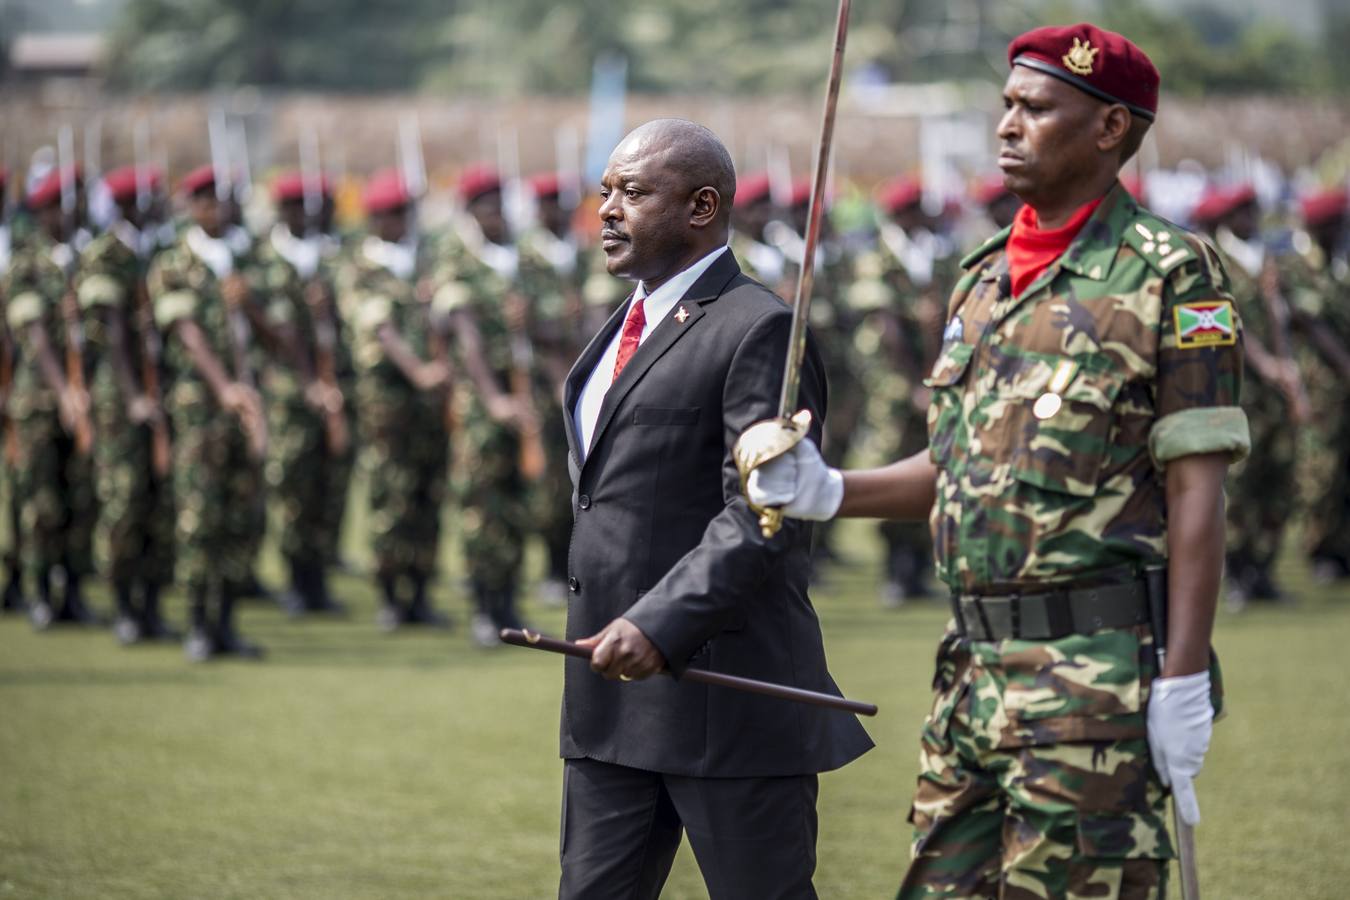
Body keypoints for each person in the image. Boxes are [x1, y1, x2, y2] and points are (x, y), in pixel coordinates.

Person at [748, 24, 1245, 897]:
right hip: (971, 678)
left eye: (1038, 108)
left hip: (1095, 685)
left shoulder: (1170, 274)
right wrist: (830, 490)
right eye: (1007, 104)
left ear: (1110, 129)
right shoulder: (982, 280)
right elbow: (956, 466)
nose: (1008, 125)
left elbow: (1196, 493)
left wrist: (1182, 678)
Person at [557, 118, 871, 900]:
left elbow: (766, 512)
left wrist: (658, 622)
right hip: (608, 703)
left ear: (703, 207)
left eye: (633, 193)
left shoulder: (758, 327)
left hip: (728, 702)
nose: (608, 211)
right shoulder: (618, 331)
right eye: (606, 193)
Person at [148, 164, 268, 661]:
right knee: (200, 516)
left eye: (224, 201)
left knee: (240, 517)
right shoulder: (174, 261)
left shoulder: (245, 258)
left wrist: (251, 305)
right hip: (202, 408)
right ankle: (198, 622)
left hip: (247, 410)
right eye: (208, 201)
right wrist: (224, 389)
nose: (218, 210)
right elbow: (185, 330)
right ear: (193, 206)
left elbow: (275, 333)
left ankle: (226, 623)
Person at [75, 164, 178, 643]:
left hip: (162, 394)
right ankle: (123, 607)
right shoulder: (106, 256)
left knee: (159, 504)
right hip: (122, 397)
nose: (159, 204)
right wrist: (135, 396)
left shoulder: (158, 251)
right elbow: (112, 332)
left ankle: (153, 604)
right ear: (127, 203)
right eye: (151, 197)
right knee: (123, 500)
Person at [346, 169, 451, 631]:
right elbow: (381, 328)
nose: (402, 221)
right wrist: (420, 372)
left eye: (405, 212)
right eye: (392, 214)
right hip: (388, 401)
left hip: (429, 404)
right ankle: (391, 594)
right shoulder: (364, 268)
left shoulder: (424, 261)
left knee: (427, 493)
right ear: (374, 218)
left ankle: (421, 590)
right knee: (391, 496)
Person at [434, 165, 535, 646]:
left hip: (525, 398)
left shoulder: (518, 257)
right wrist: (494, 400)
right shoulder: (459, 261)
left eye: (501, 204)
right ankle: (481, 605)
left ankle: (509, 602)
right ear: (470, 211)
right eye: (487, 206)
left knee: (517, 507)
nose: (497, 214)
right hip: (482, 406)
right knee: (481, 507)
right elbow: (468, 337)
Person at [1191, 185, 1306, 607]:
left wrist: (1285, 371)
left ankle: (1263, 569)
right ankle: (1238, 570)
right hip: (1237, 387)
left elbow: (1277, 317)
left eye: (1253, 211)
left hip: (1271, 391)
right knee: (1241, 481)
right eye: (1243, 213)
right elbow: (1227, 323)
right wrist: (1267, 366)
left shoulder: (1262, 260)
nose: (1251, 220)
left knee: (1277, 477)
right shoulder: (1213, 260)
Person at [5, 164, 100, 629]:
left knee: (81, 498)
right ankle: (40, 591)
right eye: (67, 202)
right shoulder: (26, 262)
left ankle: (74, 592)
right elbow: (34, 335)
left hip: (86, 398)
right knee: (41, 502)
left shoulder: (88, 260)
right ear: (45, 211)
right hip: (40, 401)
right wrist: (64, 392)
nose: (76, 210)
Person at [253, 171, 348, 616]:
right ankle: (295, 581)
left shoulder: (325, 256)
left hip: (330, 390)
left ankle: (317, 581)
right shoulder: (271, 260)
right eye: (296, 208)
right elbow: (283, 333)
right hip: (290, 395)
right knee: (293, 490)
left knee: (326, 489)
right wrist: (310, 381)